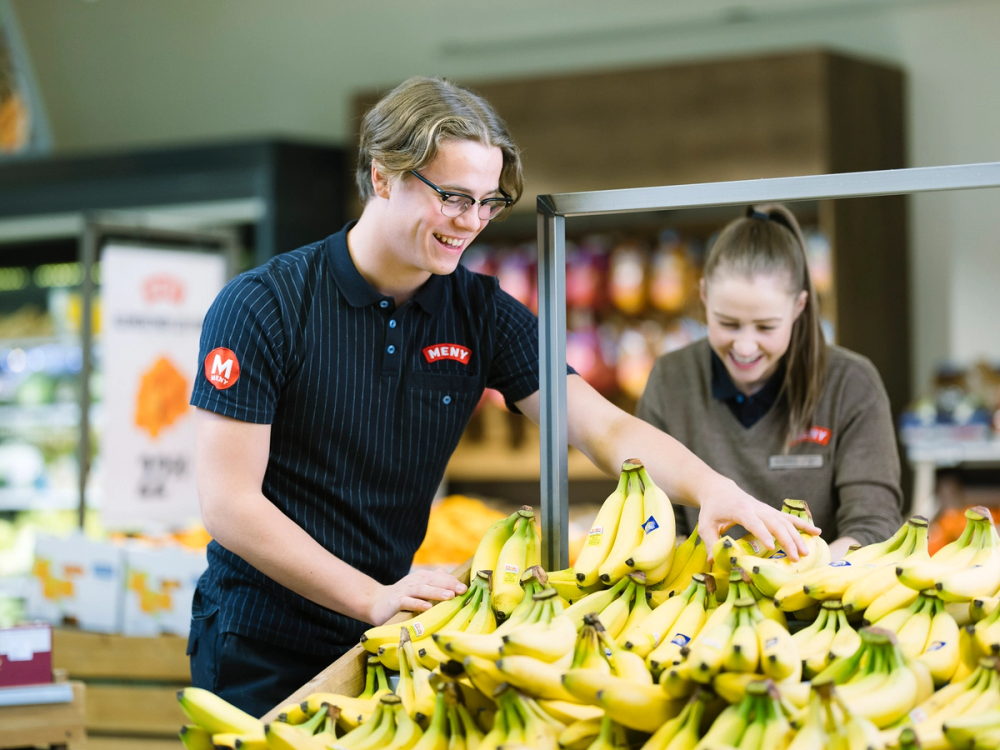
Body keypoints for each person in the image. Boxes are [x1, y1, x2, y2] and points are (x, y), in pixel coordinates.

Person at [187, 78, 817, 716]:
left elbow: (605, 430)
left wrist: (714, 489)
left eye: (489, 201)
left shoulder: (480, 313)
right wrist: (368, 595)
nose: (472, 223)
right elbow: (229, 504)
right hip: (259, 638)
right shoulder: (263, 306)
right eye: (454, 197)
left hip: (385, 635)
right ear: (382, 178)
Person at [637, 205, 904, 561]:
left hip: (822, 597)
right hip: (703, 595)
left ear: (799, 306)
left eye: (765, 327)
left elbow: (874, 526)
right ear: (703, 296)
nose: (745, 346)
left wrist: (796, 574)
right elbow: (648, 517)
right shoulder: (670, 380)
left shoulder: (852, 384)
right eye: (728, 324)